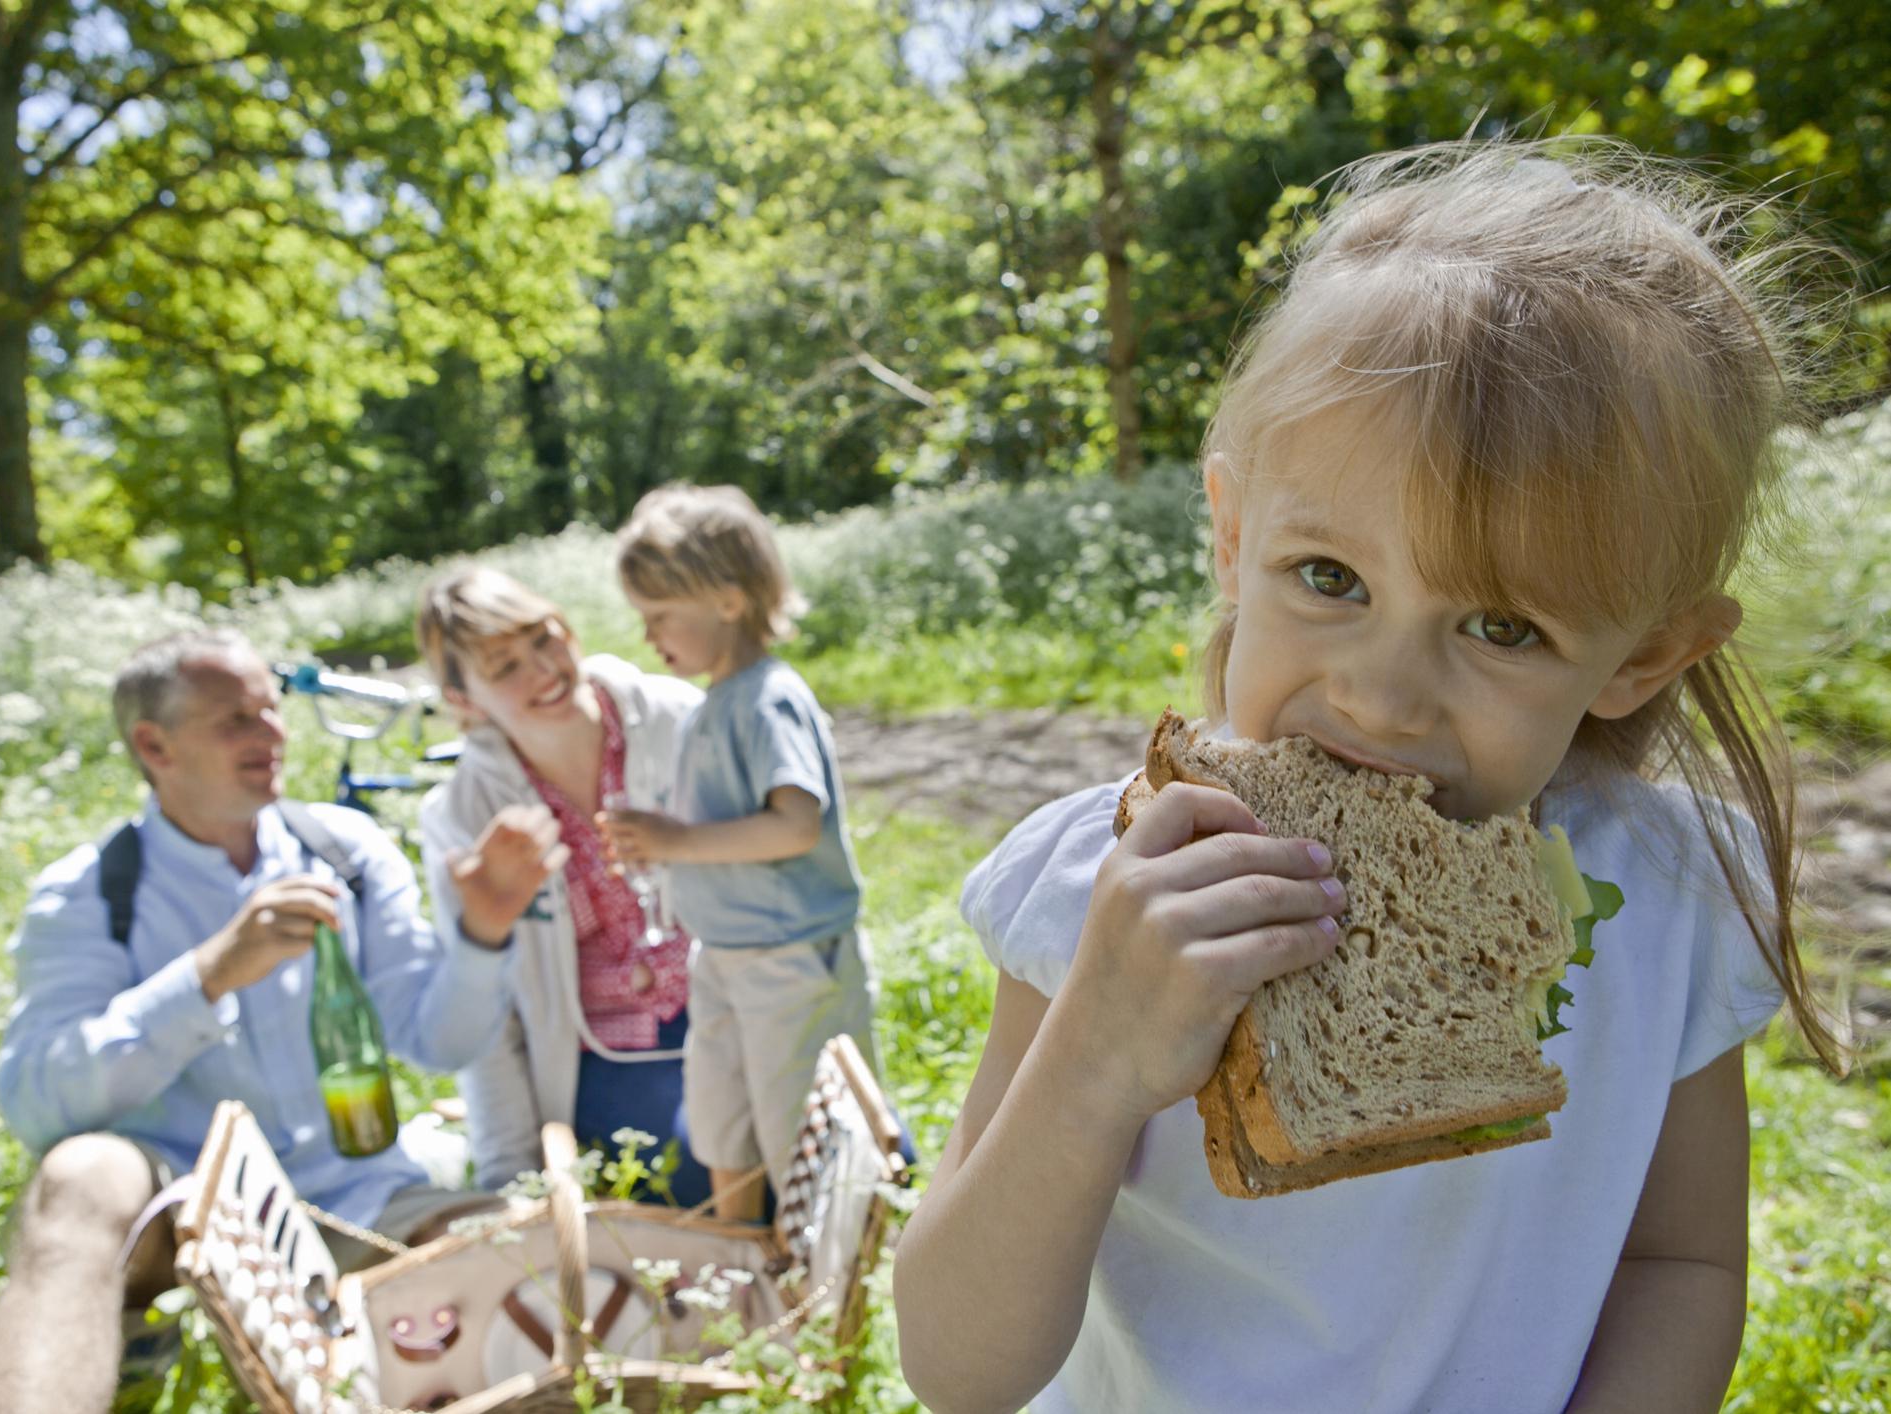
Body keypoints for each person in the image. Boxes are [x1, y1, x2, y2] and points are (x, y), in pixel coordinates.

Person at [893, 138, 1846, 1414]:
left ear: (1648, 655)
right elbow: (957, 1367)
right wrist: (1095, 1060)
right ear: (1236, 540)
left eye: (1505, 628)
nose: (1379, 697)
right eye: (1330, 579)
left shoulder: (1668, 897)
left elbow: (1677, 1262)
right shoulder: (1102, 891)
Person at [0, 628, 513, 1414]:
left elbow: (438, 1041)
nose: (272, 735)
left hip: (354, 1197)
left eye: (271, 710)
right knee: (79, 1177)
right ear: (153, 746)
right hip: (178, 1203)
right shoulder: (90, 894)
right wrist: (207, 976)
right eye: (235, 720)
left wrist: (482, 934)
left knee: (517, 1248)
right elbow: (39, 1106)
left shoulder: (346, 851)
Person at [604, 484, 880, 1222]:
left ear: (727, 601)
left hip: (790, 960)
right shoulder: (714, 703)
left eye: (658, 616)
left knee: (804, 1130)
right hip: (724, 953)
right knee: (721, 1117)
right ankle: (741, 1264)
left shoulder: (767, 699)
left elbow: (792, 824)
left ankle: (814, 1289)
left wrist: (675, 841)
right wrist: (660, 838)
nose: (647, 635)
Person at [415, 567, 715, 1206]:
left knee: (868, 1153)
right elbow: (484, 1008)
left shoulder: (678, 720)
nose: (544, 670)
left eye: (544, 639)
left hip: (728, 1010)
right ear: (464, 701)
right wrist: (512, 1183)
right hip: (609, 1055)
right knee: (697, 1165)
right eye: (505, 668)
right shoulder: (465, 816)